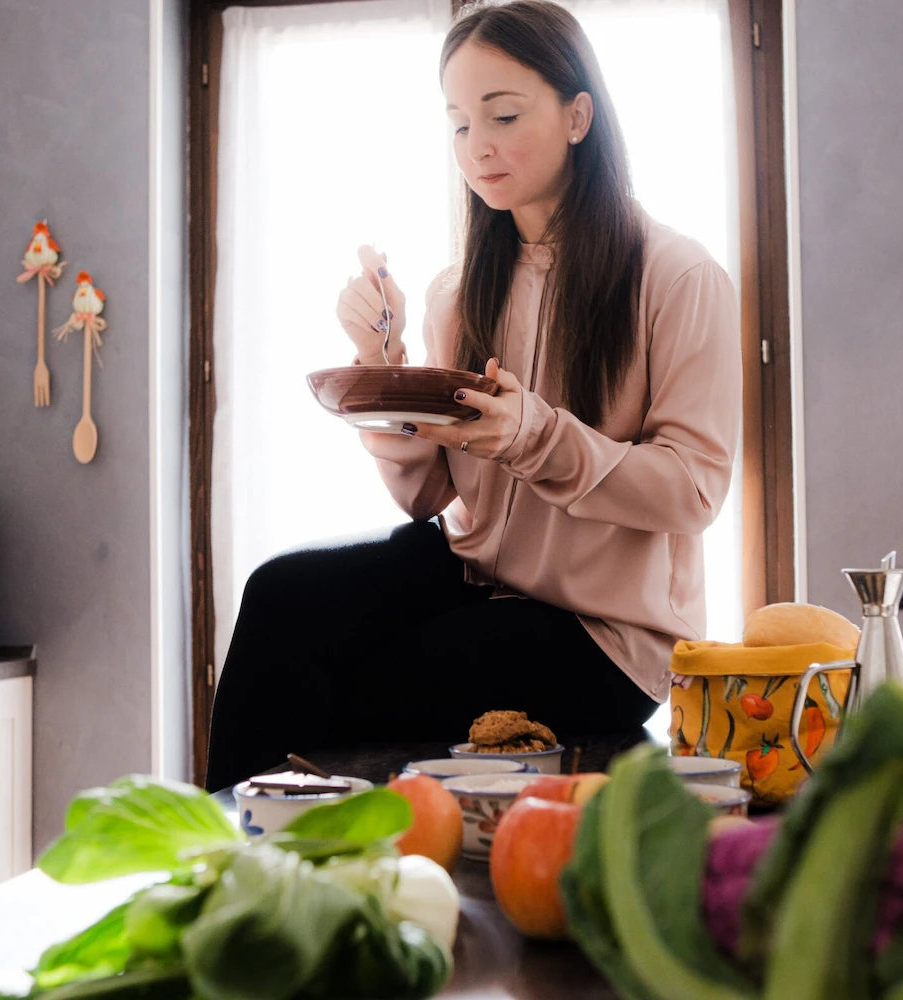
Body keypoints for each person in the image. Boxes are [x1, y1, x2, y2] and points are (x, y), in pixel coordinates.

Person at [205, 0, 740, 792]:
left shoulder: (676, 276)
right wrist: (382, 366)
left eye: (503, 114)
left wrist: (535, 435)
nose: (476, 147)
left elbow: (694, 490)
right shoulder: (457, 292)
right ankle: (228, 860)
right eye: (458, 124)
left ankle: (292, 869)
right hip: (476, 574)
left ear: (578, 115)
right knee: (281, 598)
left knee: (354, 693)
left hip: (604, 634)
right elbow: (428, 495)